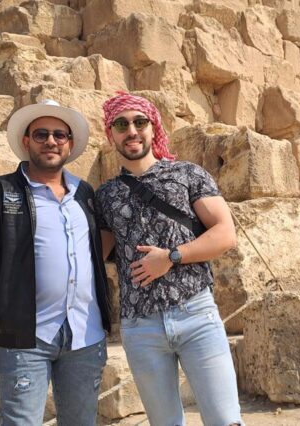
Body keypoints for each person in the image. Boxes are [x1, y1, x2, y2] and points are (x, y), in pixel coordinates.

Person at [0, 99, 111, 426]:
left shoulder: (86, 194)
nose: (51, 141)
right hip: (25, 340)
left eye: (59, 135)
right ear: (26, 141)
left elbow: (100, 250)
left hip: (86, 337)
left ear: (70, 143)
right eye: (41, 134)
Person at [95, 92, 243, 426]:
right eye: (121, 125)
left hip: (195, 314)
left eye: (140, 122)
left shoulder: (188, 175)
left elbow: (225, 234)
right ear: (111, 134)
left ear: (154, 127)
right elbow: (94, 255)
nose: (132, 131)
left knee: (226, 420)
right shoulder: (105, 195)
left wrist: (172, 257)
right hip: (140, 326)